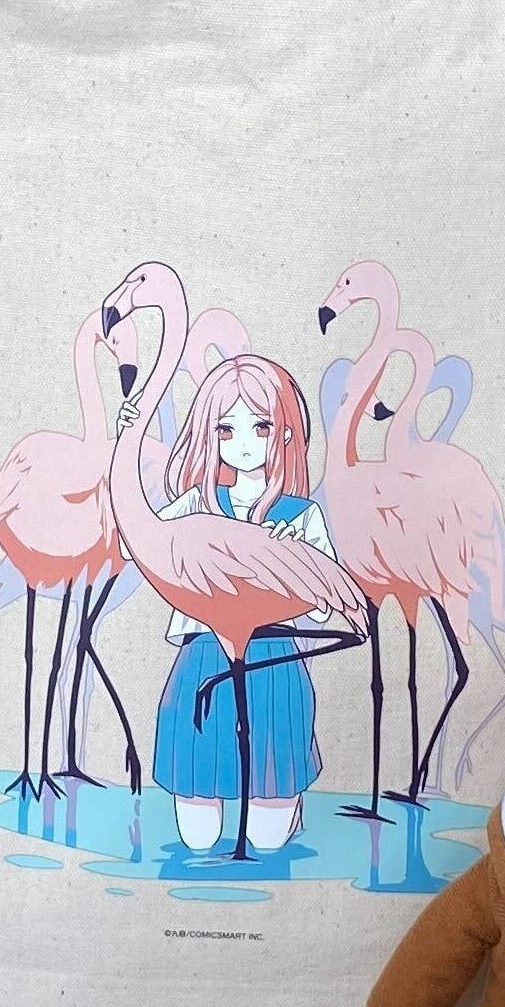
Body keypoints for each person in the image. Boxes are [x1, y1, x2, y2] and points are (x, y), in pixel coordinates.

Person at [149, 353, 343, 856]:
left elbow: (326, 610)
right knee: (197, 837)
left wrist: (296, 566)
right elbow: (138, 545)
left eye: (260, 426)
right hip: (204, 663)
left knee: (267, 840)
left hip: (274, 667)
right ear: (209, 436)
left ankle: (286, 806)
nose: (243, 443)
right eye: (226, 429)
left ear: (284, 432)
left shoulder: (303, 516)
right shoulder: (196, 504)